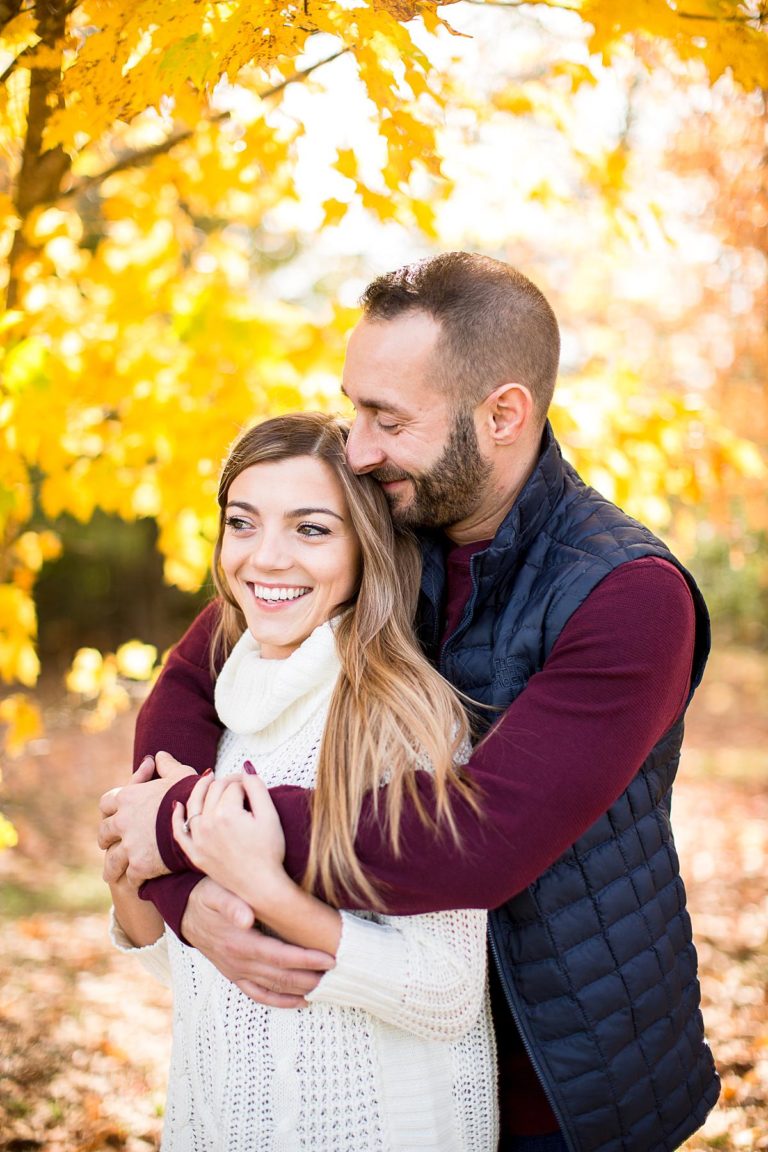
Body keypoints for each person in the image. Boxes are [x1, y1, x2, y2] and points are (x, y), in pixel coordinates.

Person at [100, 253, 719, 1152]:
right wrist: (192, 887)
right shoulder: (382, 515)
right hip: (373, 1055)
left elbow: (476, 836)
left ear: (501, 414)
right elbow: (198, 669)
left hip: (570, 1081)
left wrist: (194, 828)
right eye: (355, 406)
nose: (355, 446)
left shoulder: (630, 597)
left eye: (387, 418)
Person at [107, 411, 498, 1151]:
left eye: (311, 530)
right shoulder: (222, 705)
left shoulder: (402, 718)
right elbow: (197, 971)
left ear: (365, 549)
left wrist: (274, 899)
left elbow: (447, 992)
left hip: (377, 1125)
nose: (266, 558)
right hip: (218, 1119)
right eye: (243, 523)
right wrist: (134, 881)